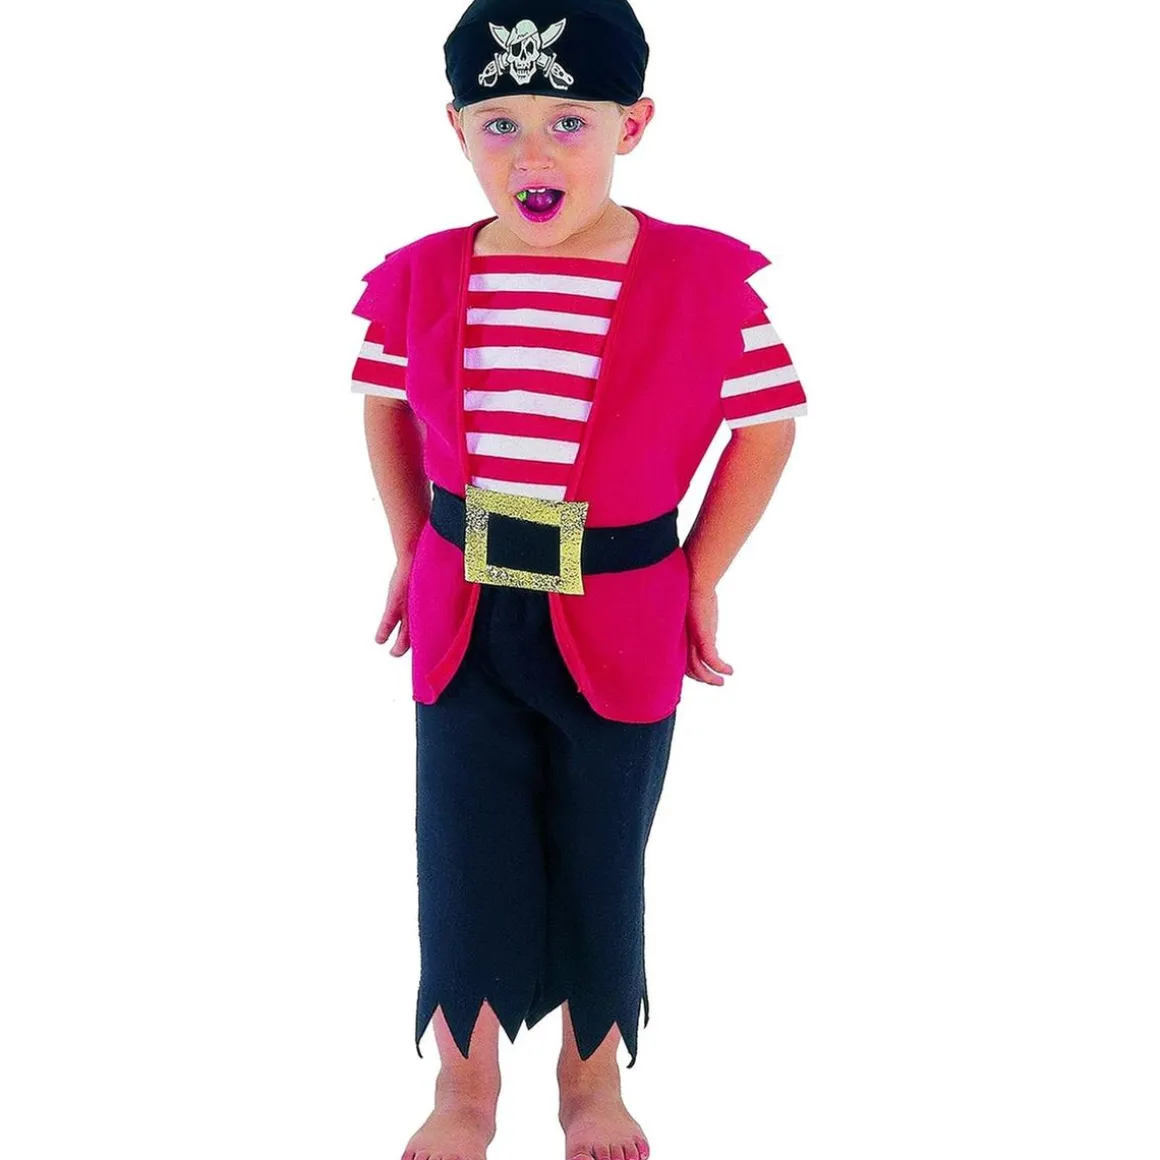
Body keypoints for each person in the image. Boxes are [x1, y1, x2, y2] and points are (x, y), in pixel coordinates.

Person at [349, 2, 807, 1157]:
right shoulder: (422, 276)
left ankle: (589, 1079)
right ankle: (464, 1088)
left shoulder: (698, 280)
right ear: (456, 129)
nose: (532, 153)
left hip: (623, 605)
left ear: (631, 125)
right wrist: (408, 544)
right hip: (464, 607)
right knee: (462, 844)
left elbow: (766, 425)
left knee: (602, 846)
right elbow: (387, 406)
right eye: (498, 124)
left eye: (567, 122)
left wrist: (700, 573)